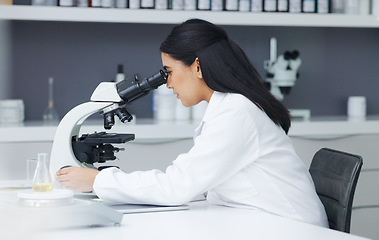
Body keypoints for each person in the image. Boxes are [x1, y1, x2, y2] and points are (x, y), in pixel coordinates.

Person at [56, 19, 328, 227]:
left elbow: (177, 186)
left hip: (292, 229)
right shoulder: (231, 106)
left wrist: (98, 180)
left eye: (170, 72)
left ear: (197, 67)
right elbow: (192, 184)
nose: (168, 83)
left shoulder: (237, 112)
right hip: (263, 222)